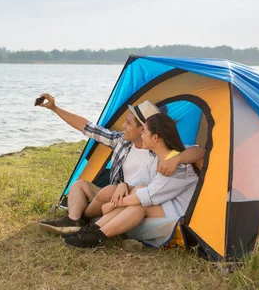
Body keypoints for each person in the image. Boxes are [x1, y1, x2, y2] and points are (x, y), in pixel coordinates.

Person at [37, 94, 204, 235]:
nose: (123, 126)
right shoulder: (121, 142)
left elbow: (198, 151)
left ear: (143, 129)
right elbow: (87, 127)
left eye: (128, 123)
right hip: (117, 194)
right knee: (80, 185)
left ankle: (82, 219)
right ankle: (74, 219)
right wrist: (55, 108)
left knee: (110, 191)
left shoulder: (159, 149)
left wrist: (177, 159)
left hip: (137, 199)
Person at [63, 113, 200, 248]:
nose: (141, 135)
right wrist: (124, 184)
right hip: (161, 206)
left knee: (139, 203)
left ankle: (97, 236)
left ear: (156, 137)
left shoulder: (178, 167)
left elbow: (148, 196)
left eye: (144, 132)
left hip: (177, 215)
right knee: (138, 189)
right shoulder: (157, 159)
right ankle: (92, 230)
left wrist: (114, 205)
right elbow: (141, 180)